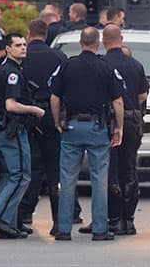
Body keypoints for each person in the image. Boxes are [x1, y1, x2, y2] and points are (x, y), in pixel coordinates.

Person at [50, 27, 124, 241]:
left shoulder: (67, 66)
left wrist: (57, 122)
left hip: (71, 126)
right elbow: (117, 101)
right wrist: (118, 127)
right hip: (97, 128)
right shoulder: (105, 67)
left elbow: (54, 98)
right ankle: (100, 229)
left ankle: (63, 229)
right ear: (98, 43)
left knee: (67, 178)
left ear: (81, 42)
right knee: (99, 178)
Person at [0, 33, 44, 239]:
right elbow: (11, 104)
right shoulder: (11, 73)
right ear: (8, 49)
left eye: (24, 44)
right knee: (21, 175)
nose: (23, 48)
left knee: (9, 175)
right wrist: (34, 110)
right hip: (12, 129)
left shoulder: (6, 69)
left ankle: (7, 223)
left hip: (4, 128)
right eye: (18, 45)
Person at [19, 19, 70, 231]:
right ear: (46, 34)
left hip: (26, 113)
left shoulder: (21, 56)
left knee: (30, 165)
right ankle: (59, 220)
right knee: (55, 167)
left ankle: (24, 213)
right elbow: (65, 87)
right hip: (51, 113)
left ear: (29, 36)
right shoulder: (59, 56)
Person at [102, 24, 149, 235]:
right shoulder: (136, 65)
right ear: (121, 39)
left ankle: (114, 219)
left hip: (110, 121)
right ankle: (128, 220)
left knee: (111, 169)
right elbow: (142, 95)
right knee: (129, 168)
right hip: (132, 120)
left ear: (103, 41)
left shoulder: (102, 64)